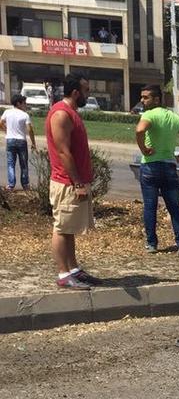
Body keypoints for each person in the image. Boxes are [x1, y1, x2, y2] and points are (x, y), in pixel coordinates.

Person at [46, 73, 102, 290]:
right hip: (66, 183)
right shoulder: (61, 114)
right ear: (76, 92)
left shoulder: (72, 113)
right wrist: (77, 183)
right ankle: (63, 274)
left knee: (69, 229)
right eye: (87, 91)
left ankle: (73, 269)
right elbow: (63, 151)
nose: (89, 94)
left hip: (75, 182)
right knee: (62, 228)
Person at [135, 85, 179, 255]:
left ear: (157, 99)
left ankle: (152, 243)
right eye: (142, 97)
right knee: (173, 206)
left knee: (150, 206)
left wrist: (144, 148)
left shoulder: (149, 115)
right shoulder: (173, 117)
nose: (143, 101)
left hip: (150, 165)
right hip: (169, 166)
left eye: (146, 98)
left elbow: (139, 130)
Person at [1, 94, 37, 190]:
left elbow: (1, 122)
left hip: (10, 140)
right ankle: (25, 185)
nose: (25, 105)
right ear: (18, 103)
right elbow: (30, 130)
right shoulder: (24, 115)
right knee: (23, 164)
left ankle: (11, 185)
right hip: (21, 141)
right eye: (24, 103)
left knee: (10, 164)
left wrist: (6, 130)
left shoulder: (7, 112)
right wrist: (33, 143)